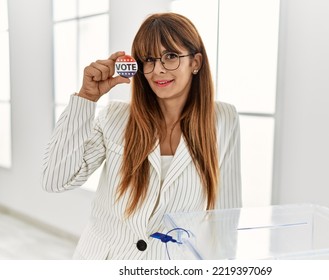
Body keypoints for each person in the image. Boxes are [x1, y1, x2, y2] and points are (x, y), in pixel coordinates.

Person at [41, 12, 242, 260]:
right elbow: (56, 180)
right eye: (148, 59)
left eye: (170, 56)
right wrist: (86, 98)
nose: (158, 69)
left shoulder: (223, 119)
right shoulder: (114, 117)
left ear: (196, 62)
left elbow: (225, 217)